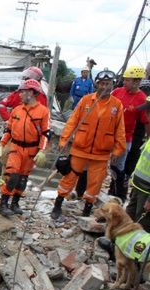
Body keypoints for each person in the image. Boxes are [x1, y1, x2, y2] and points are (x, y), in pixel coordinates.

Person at [51, 69, 126, 220]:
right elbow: (72, 121)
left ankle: (86, 210)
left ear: (113, 85)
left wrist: (118, 151)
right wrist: (64, 140)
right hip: (80, 149)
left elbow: (120, 130)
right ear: (97, 84)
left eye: (108, 84)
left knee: (95, 183)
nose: (105, 87)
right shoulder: (86, 101)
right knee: (69, 177)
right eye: (102, 84)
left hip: (101, 153)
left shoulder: (116, 105)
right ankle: (57, 205)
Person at [0, 79, 50, 217]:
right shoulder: (16, 110)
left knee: (23, 179)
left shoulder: (43, 112)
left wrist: (42, 151)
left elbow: (46, 133)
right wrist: (1, 145)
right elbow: (8, 130)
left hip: (31, 150)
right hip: (16, 147)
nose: (19, 95)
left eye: (23, 92)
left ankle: (15, 203)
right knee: (12, 175)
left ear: (31, 93)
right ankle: (3, 204)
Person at [109, 65, 150, 201]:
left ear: (137, 81)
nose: (124, 82)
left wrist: (147, 139)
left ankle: (119, 195)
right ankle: (111, 191)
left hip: (125, 137)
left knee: (118, 167)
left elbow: (146, 121)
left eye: (128, 80)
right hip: (108, 135)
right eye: (125, 79)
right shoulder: (117, 92)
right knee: (109, 165)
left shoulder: (142, 98)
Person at [126, 137, 150, 232]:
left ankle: (135, 246)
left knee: (141, 223)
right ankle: (119, 242)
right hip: (137, 185)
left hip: (146, 191)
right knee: (129, 216)